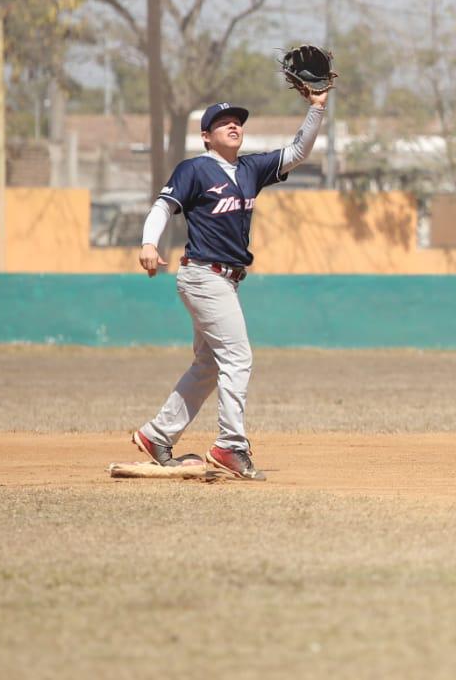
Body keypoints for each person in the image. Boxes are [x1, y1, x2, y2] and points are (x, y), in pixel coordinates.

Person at [131, 83, 329, 480]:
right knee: (237, 357)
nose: (233, 125)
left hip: (225, 280)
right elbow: (163, 206)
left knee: (208, 364)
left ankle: (157, 435)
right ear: (206, 136)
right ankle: (230, 446)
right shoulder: (195, 169)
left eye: (237, 121)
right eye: (222, 122)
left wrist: (317, 109)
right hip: (204, 275)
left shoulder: (250, 169)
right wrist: (149, 242)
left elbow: (297, 153)